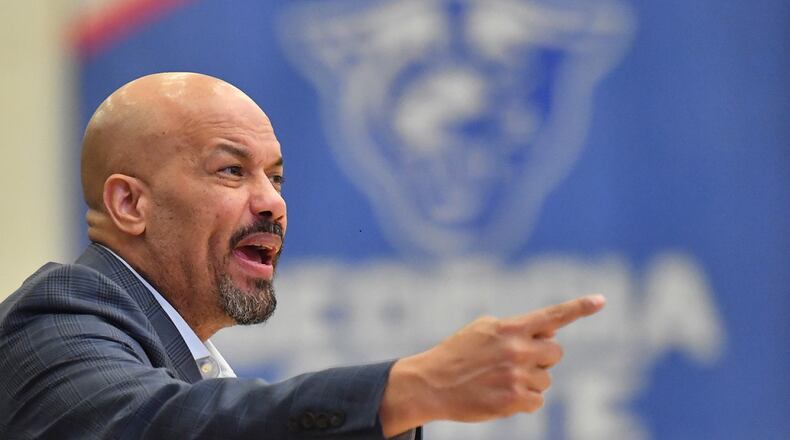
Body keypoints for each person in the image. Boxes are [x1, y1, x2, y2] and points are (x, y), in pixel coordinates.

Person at [0, 72, 605, 439]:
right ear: (131, 203)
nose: (272, 204)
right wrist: (411, 387)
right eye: (232, 171)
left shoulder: (181, 353)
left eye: (276, 178)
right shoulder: (57, 318)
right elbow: (167, 428)